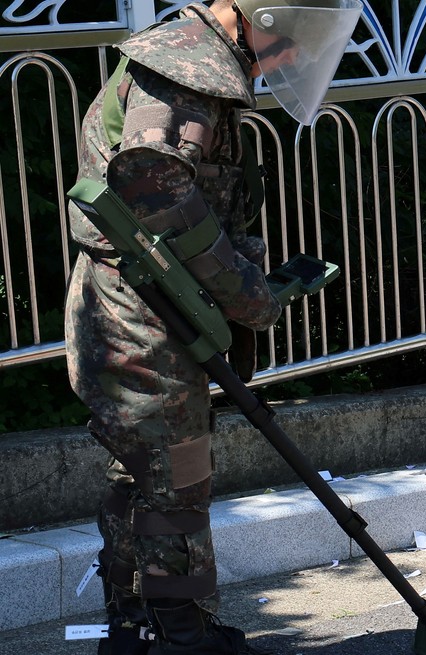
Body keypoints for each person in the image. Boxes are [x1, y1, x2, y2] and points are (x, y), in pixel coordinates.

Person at [64, 1, 361, 653]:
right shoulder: (183, 71)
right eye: (292, 45)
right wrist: (247, 292)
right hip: (141, 312)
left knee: (140, 469)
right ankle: (181, 634)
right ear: (264, 19)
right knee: (174, 470)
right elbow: (152, 183)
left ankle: (134, 625)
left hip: (143, 303)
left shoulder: (195, 65)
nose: (292, 61)